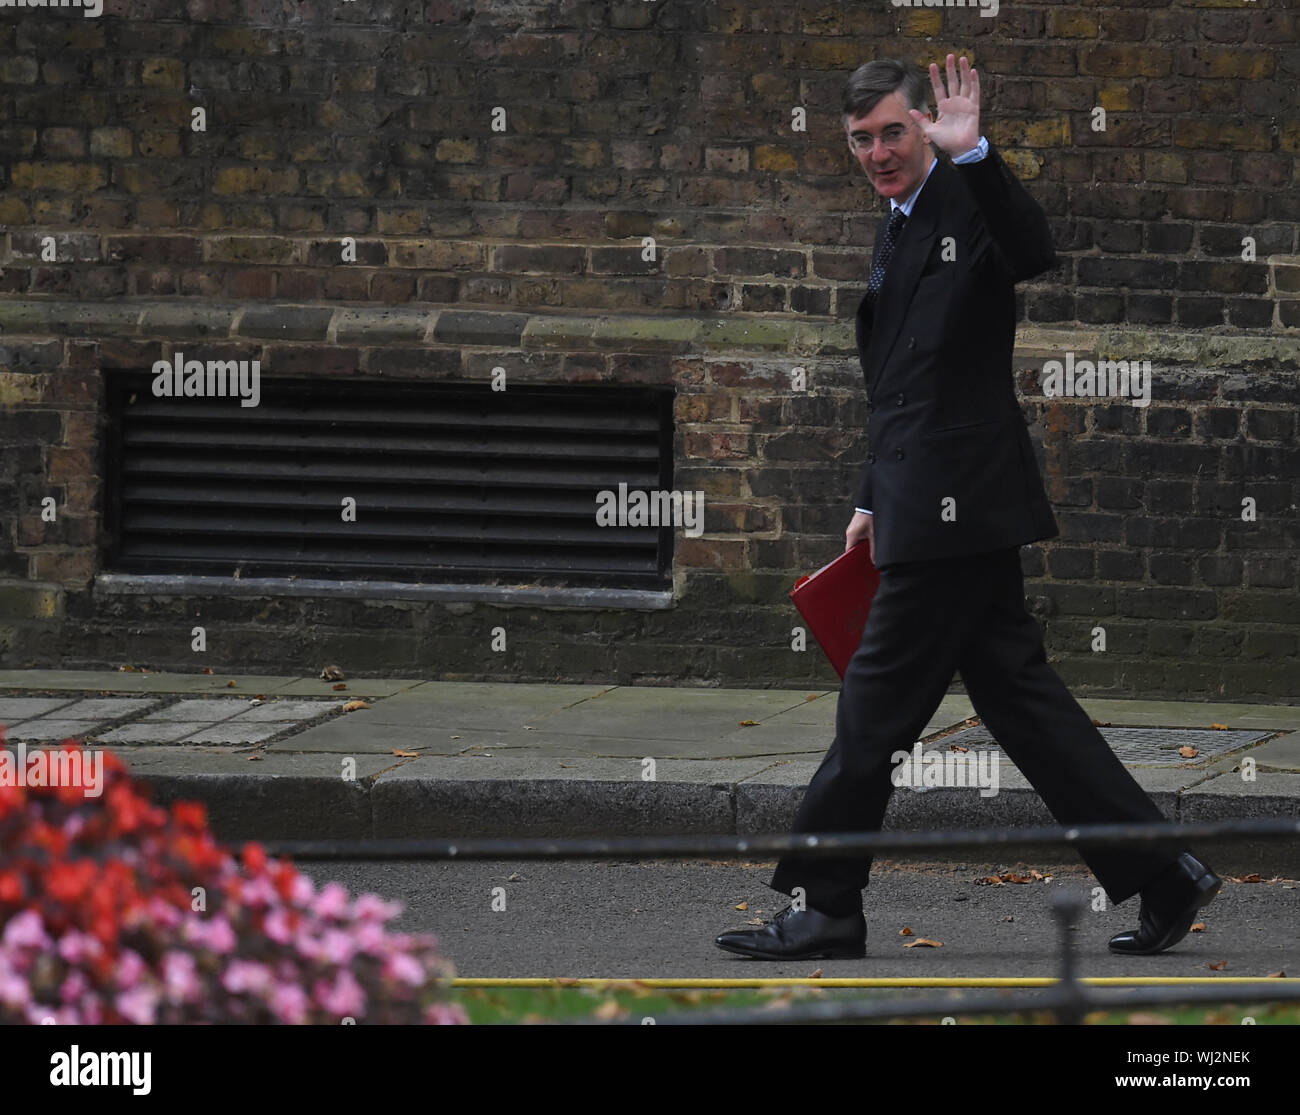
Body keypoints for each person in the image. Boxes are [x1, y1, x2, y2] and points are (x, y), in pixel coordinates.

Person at [715, 54, 1220, 961]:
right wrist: (873, 496)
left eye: (893, 132)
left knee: (873, 709)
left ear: (926, 127)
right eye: (861, 139)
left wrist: (975, 151)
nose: (878, 152)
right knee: (1024, 704)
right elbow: (904, 382)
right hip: (937, 505)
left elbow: (1034, 250)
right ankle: (1162, 872)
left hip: (955, 513)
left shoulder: (965, 207)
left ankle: (829, 903)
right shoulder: (899, 224)